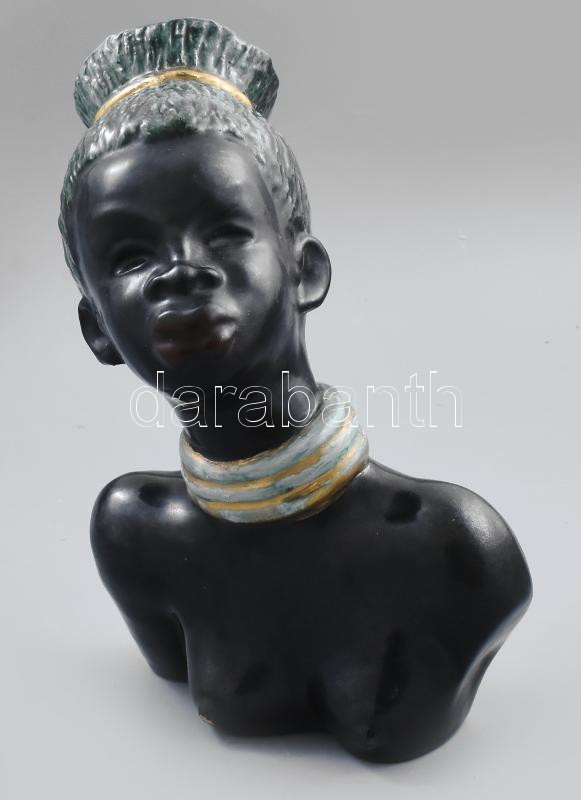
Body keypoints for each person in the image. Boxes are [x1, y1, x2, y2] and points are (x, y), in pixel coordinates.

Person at [59, 17, 532, 762]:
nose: (180, 269)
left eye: (225, 231)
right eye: (129, 255)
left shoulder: (452, 554)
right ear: (97, 330)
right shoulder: (134, 535)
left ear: (304, 269)